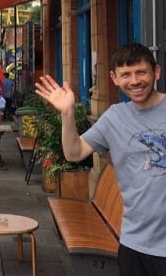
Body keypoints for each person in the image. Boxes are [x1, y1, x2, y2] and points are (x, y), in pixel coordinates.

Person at [35, 42, 166, 276]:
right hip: (135, 244)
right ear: (114, 78)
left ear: (156, 72)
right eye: (126, 74)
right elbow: (74, 153)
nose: (134, 81)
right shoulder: (114, 118)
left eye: (141, 72)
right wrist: (67, 114)